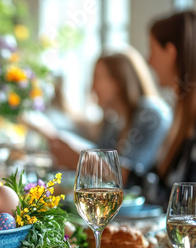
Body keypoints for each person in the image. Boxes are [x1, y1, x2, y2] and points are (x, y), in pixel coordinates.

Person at [46, 47, 172, 185]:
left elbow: (131, 177)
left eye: (98, 78)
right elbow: (100, 155)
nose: (92, 87)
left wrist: (78, 158)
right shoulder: (113, 120)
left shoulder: (151, 114)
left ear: (119, 80)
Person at [146, 11, 196, 205]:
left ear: (171, 52)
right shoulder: (182, 121)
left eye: (152, 50)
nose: (149, 61)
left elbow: (185, 205)